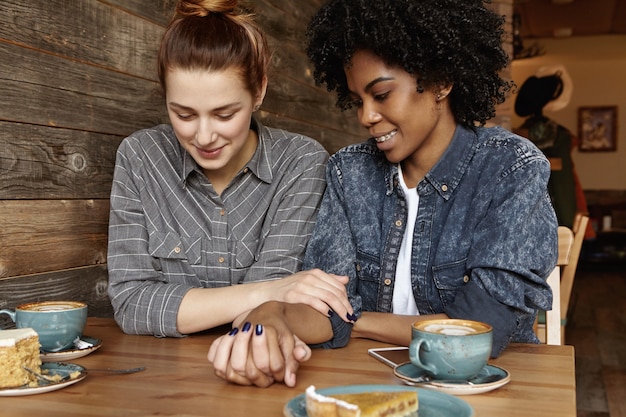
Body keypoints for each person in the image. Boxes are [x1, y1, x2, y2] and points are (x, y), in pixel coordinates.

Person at [207, 0, 558, 388]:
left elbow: (478, 332)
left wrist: (356, 322)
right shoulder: (349, 172)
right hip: (368, 384)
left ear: (441, 82)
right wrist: (273, 312)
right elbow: (327, 309)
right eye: (358, 100)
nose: (366, 116)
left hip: (487, 392)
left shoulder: (510, 169)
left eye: (382, 94)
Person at [107, 0, 354, 344]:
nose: (204, 136)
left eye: (224, 115)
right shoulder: (141, 158)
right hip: (159, 378)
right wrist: (263, 292)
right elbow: (131, 304)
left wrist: (267, 295)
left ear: (259, 91)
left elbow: (271, 312)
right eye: (184, 114)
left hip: (260, 366)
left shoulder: (300, 162)